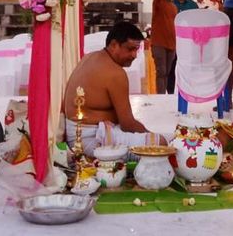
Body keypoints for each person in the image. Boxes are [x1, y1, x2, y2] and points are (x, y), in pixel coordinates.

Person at [63, 22, 163, 155]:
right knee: (160, 143)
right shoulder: (115, 73)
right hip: (90, 140)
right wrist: (150, 134)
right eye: (130, 49)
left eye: (136, 50)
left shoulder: (89, 57)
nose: (134, 55)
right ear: (114, 45)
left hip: (76, 133)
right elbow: (128, 124)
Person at [149, 0, 178, 94]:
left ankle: (164, 97)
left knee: (167, 72)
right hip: (158, 43)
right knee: (161, 72)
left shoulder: (174, 7)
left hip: (172, 44)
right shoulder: (158, 3)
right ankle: (160, 97)